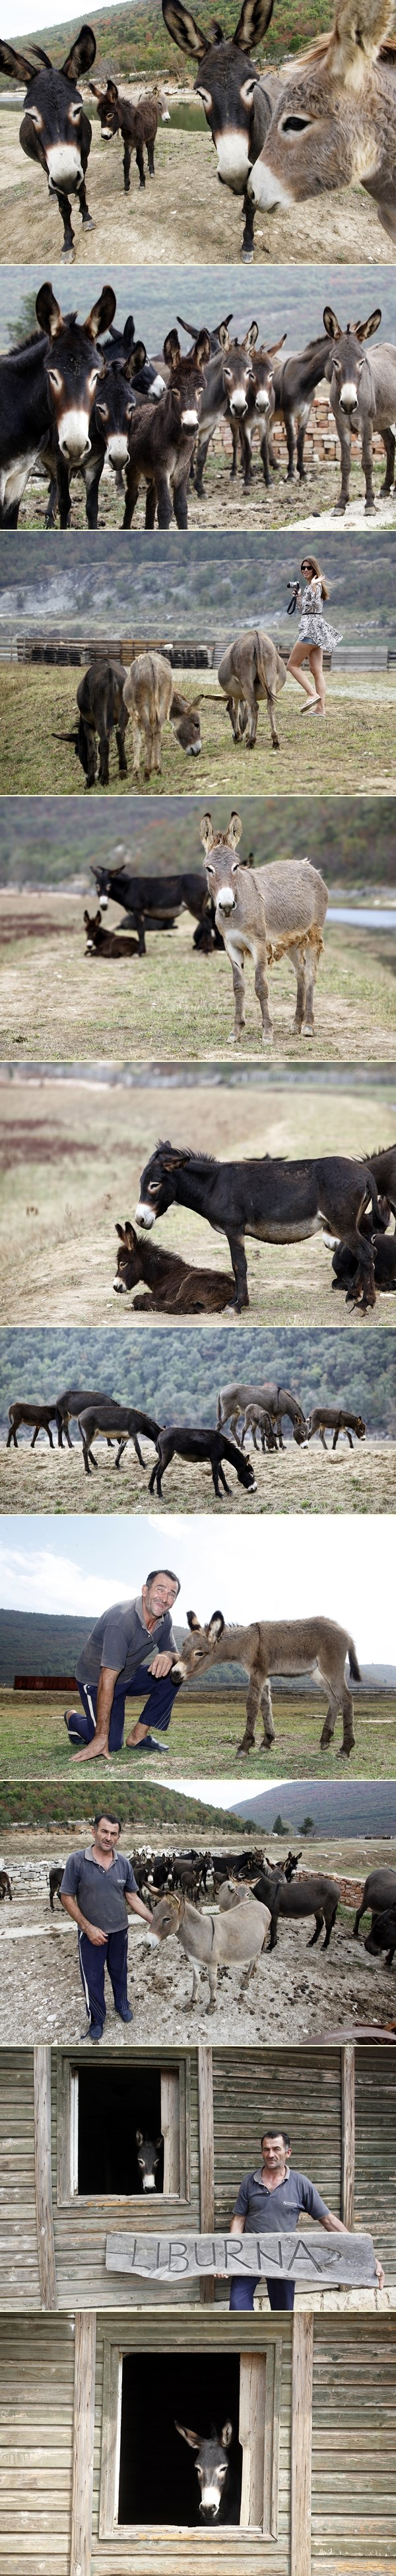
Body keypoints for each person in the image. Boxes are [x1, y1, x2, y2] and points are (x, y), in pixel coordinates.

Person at [227, 2126, 385, 2311]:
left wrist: (363, 2254)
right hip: (249, 2253)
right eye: (266, 2149)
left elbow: (328, 2220)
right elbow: (239, 2219)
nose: (271, 2154)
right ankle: (251, 2340)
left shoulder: (301, 2184)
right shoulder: (249, 2181)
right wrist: (230, 2256)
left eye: (276, 2149)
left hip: (284, 2257)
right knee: (238, 2305)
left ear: (288, 2152)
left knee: (283, 2309)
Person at [63, 1567, 181, 1762]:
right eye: (160, 1589)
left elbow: (176, 1655)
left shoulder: (165, 1619)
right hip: (96, 1681)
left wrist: (168, 1655)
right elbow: (107, 1678)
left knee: (176, 1673)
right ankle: (73, 1718)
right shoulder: (121, 1620)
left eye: (172, 1594)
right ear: (145, 1591)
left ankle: (138, 1736)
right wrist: (101, 1736)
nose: (165, 1598)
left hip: (128, 1676)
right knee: (109, 1743)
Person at [59, 1809, 154, 2041]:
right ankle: (97, 2019)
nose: (108, 1837)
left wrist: (156, 1922)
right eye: (104, 1831)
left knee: (120, 1973)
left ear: (119, 1837)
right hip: (90, 1935)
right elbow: (66, 1896)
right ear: (94, 1832)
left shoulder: (123, 1864)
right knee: (92, 1978)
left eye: (114, 1833)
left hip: (119, 1931)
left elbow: (132, 1897)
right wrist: (87, 1928)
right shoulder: (77, 1861)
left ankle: (122, 2005)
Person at [286, 555, 343, 718]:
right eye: (303, 568)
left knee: (292, 665)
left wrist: (312, 586)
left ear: (314, 570)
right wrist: (298, 596)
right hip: (318, 631)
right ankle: (320, 710)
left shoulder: (314, 586)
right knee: (316, 671)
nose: (305, 570)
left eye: (308, 568)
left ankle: (312, 694)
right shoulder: (312, 586)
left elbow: (313, 602)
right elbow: (305, 609)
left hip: (310, 631)